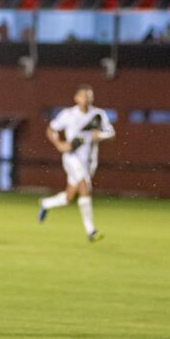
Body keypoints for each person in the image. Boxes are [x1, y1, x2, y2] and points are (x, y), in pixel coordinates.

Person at [38, 85, 115, 241]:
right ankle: (91, 231)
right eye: (84, 96)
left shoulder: (98, 115)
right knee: (85, 187)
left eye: (89, 96)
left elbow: (111, 133)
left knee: (69, 197)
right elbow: (51, 130)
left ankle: (46, 204)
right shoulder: (68, 114)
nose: (87, 99)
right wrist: (59, 144)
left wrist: (99, 135)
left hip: (90, 161)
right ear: (76, 98)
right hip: (71, 158)